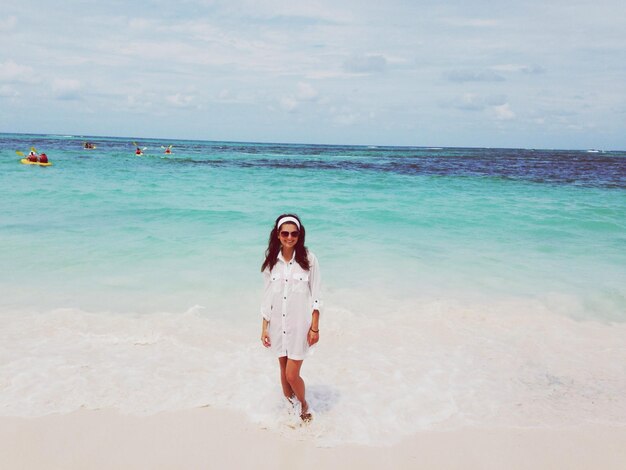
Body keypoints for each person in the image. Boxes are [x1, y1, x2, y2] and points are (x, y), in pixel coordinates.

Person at [260, 214, 322, 422]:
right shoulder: (271, 262)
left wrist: (315, 327)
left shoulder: (309, 259)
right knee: (282, 369)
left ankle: (303, 406)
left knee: (291, 375)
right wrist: (264, 328)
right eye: (285, 233)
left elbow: (316, 296)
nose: (289, 237)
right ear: (278, 235)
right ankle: (290, 409)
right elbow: (267, 297)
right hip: (277, 324)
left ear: (299, 235)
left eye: (294, 233)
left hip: (299, 326)